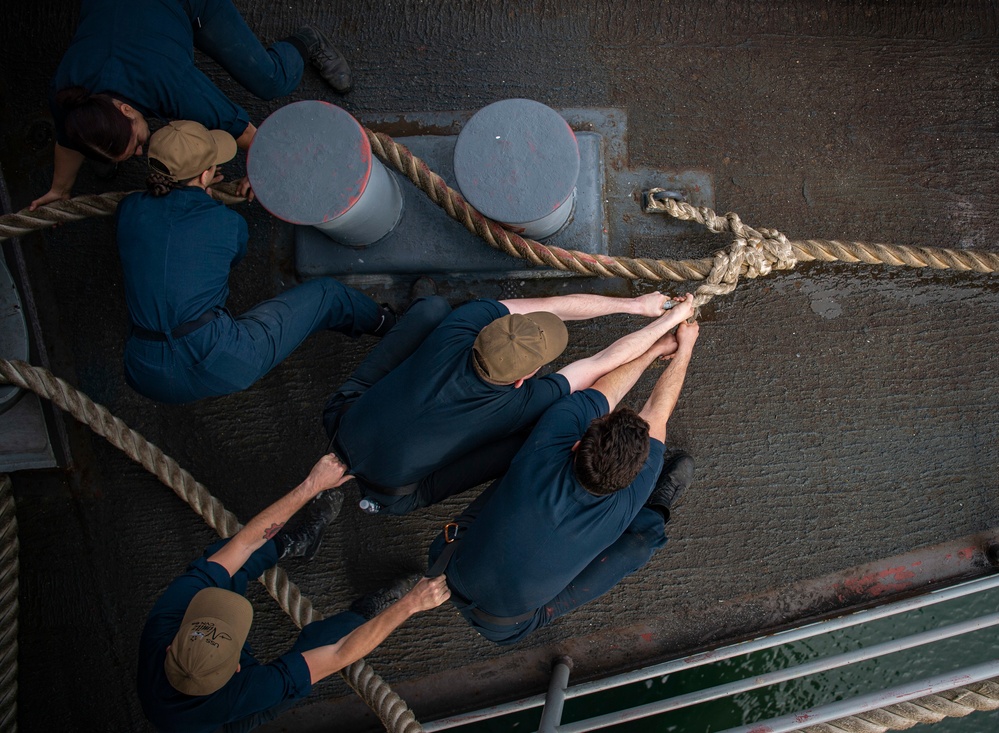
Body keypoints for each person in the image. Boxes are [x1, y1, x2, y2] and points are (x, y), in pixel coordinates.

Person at [427, 319, 700, 645]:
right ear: (634, 481)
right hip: (503, 624)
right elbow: (659, 411)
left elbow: (606, 393)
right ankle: (656, 507)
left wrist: (657, 349)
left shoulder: (553, 438)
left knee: (521, 471)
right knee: (642, 541)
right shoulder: (630, 496)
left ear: (575, 445)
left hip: (446, 560)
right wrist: (685, 349)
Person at [137, 454, 451, 732]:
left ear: (170, 648)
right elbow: (338, 653)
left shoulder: (169, 617)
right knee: (317, 651)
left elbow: (243, 544)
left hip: (198, 690)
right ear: (238, 668)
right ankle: (367, 610)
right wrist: (411, 604)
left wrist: (312, 484)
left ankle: (296, 541)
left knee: (227, 560)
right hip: (225, 717)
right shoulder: (249, 690)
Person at [323, 291, 695, 515]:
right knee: (529, 435)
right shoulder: (522, 404)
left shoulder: (466, 320)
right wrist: (666, 320)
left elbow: (551, 306)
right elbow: (600, 363)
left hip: (344, 421)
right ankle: (373, 500)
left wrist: (636, 305)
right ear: (522, 379)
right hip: (392, 489)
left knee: (432, 309)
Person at [116, 120, 394, 403]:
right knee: (328, 295)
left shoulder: (128, 211)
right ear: (204, 177)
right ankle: (390, 324)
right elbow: (229, 257)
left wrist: (198, 194)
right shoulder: (225, 222)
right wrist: (208, 200)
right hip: (220, 362)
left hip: (142, 370)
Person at [31, 0, 353, 210]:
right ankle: (111, 147)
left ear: (126, 110)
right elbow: (67, 140)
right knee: (101, 143)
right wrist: (60, 190)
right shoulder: (67, 93)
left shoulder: (171, 84)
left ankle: (307, 41)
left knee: (271, 81)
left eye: (139, 143)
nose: (144, 152)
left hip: (183, 6)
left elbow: (243, 131)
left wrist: (263, 169)